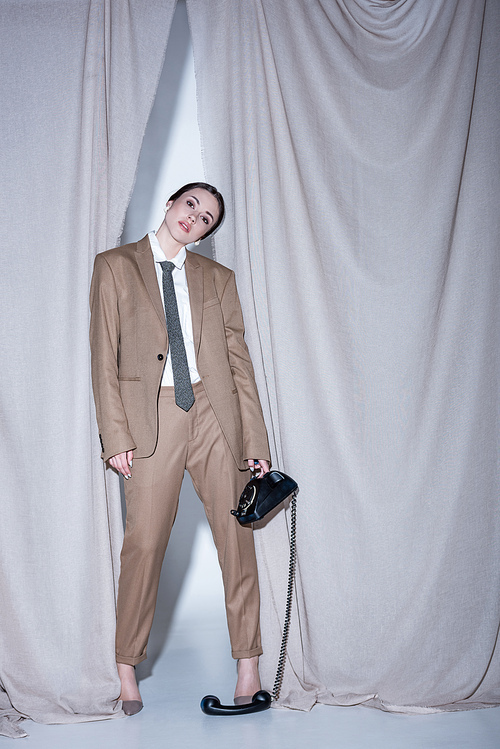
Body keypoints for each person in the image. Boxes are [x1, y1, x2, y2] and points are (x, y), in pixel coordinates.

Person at [89, 183, 270, 715]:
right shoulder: (116, 265)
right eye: (191, 204)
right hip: (152, 416)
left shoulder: (218, 279)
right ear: (170, 203)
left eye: (208, 217)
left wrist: (254, 442)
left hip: (216, 415)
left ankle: (249, 665)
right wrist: (115, 436)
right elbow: (103, 355)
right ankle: (126, 666)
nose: (197, 217)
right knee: (144, 542)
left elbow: (240, 365)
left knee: (237, 541)